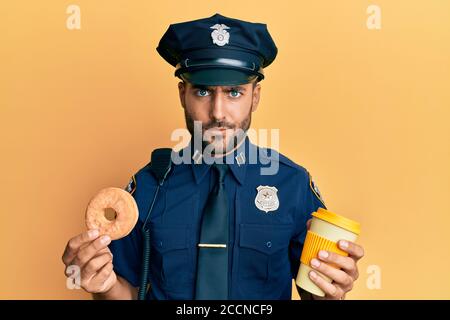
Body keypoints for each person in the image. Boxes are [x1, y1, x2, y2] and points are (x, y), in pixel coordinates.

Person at [62, 13, 364, 300]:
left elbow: (316, 289)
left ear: (255, 96)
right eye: (203, 92)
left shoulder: (293, 185)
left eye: (234, 92)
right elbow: (126, 291)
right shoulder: (147, 187)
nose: (218, 112)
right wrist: (103, 285)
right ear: (183, 94)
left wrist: (331, 288)